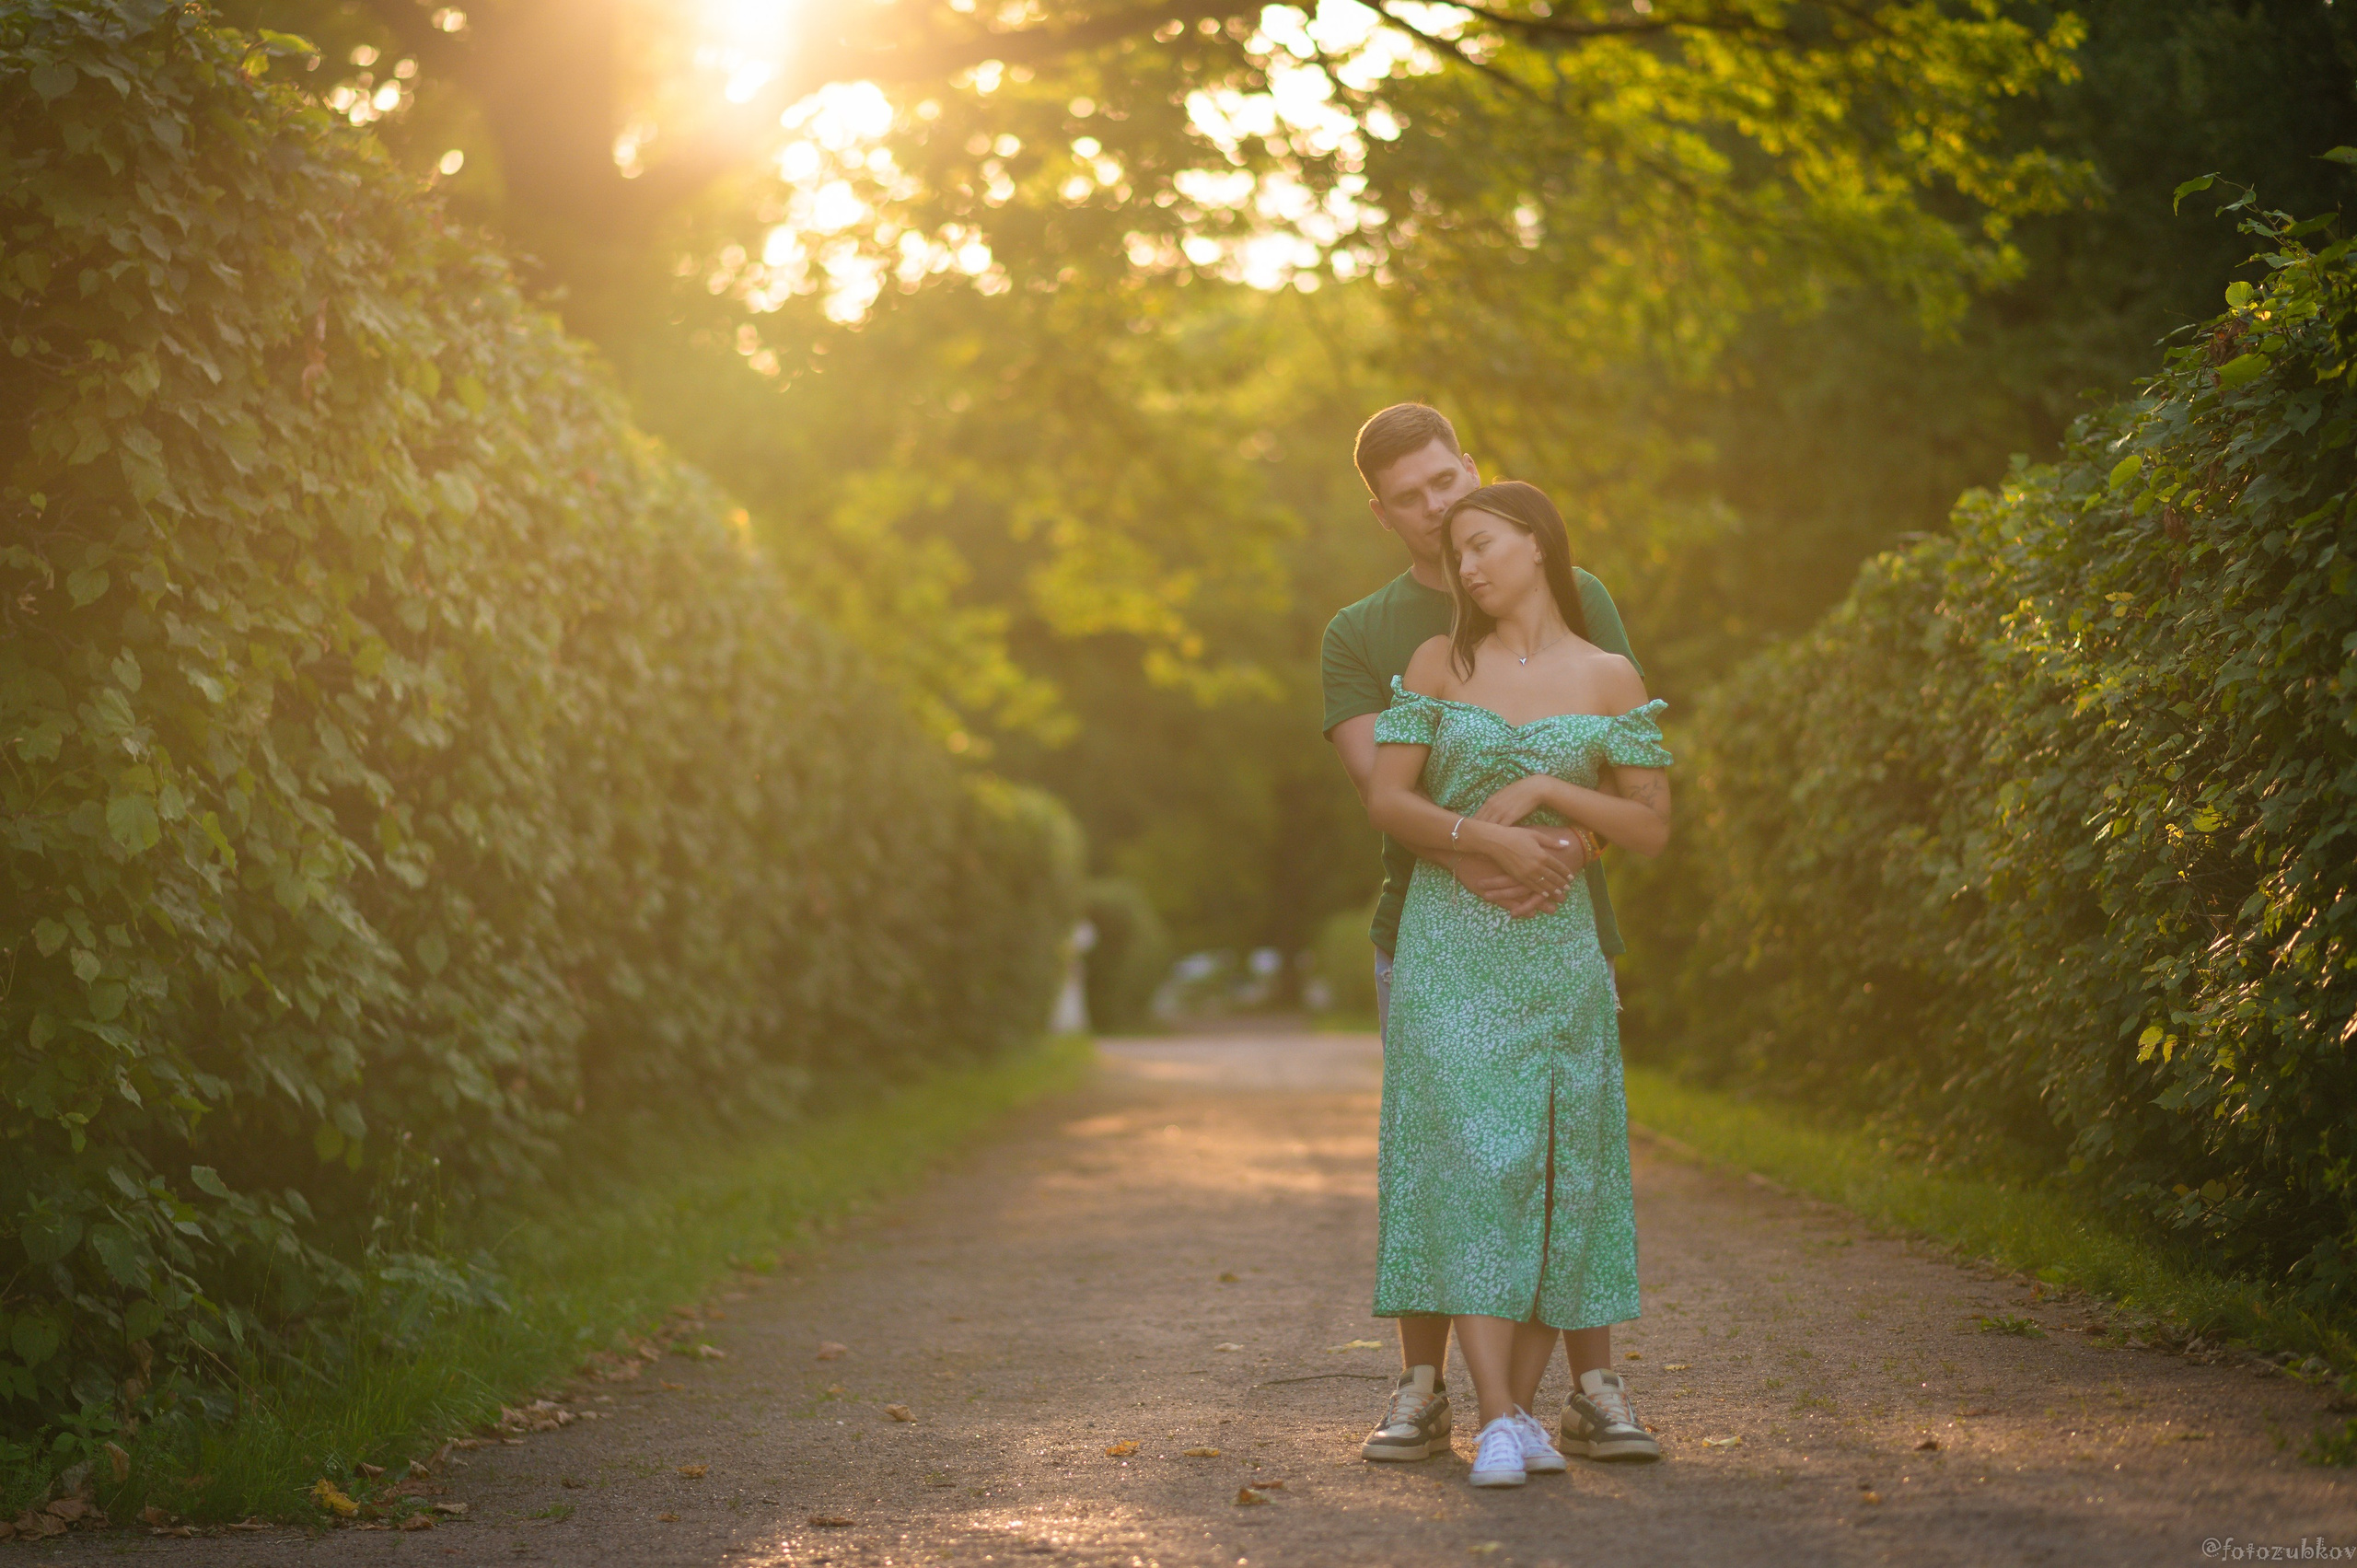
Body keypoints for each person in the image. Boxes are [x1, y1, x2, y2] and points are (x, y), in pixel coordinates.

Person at [1319, 404, 1645, 1467]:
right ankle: (1424, 1385)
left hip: (1558, 918)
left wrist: (1551, 860)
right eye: (1411, 495)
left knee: (1564, 1151)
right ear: (1381, 511)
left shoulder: (1574, 588)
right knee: (1443, 1147)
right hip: (1428, 929)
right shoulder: (1364, 633)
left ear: (1471, 466)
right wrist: (1476, 851)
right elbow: (1386, 785)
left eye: (1447, 477)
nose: (1439, 504)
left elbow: (1615, 763)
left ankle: (1592, 1385)